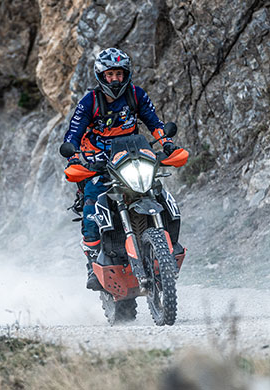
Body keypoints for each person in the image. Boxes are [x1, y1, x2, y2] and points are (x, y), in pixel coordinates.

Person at [62, 47, 187, 289]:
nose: (115, 79)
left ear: (126, 74)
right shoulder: (90, 102)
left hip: (131, 157)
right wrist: (75, 158)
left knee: (160, 193)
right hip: (98, 161)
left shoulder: (136, 95)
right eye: (110, 75)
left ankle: (166, 245)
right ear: (101, 76)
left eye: (119, 74)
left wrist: (167, 144)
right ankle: (92, 264)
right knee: (92, 206)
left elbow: (154, 122)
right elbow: (73, 134)